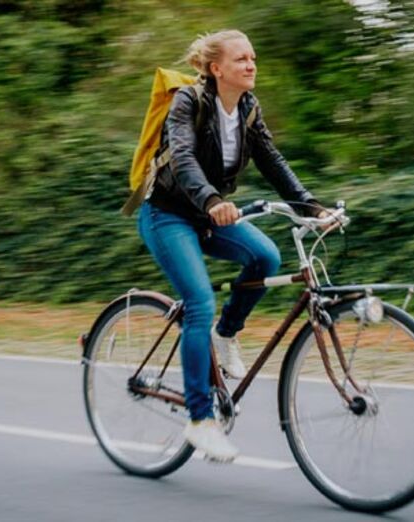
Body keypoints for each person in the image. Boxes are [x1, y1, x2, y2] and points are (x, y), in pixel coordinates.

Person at [137, 29, 328, 461]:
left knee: (265, 256)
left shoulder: (247, 108)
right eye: (241, 59)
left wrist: (312, 207)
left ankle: (226, 336)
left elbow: (272, 161)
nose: (251, 64)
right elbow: (183, 158)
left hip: (208, 212)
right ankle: (201, 421)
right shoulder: (189, 102)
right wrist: (213, 201)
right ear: (215, 68)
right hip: (167, 213)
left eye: (253, 58)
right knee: (199, 302)